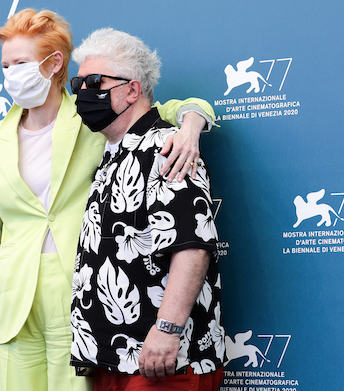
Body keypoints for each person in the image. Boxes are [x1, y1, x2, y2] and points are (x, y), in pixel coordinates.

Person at [0, 9, 216, 391]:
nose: (11, 73)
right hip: (18, 302)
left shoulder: (96, 122)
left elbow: (162, 109)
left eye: (20, 63)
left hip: (82, 309)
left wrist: (192, 124)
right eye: (5, 65)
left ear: (53, 62)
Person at [68, 28, 224, 391]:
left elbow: (193, 246)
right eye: (78, 84)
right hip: (112, 360)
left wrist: (167, 330)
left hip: (164, 363)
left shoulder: (167, 147)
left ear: (133, 89)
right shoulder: (110, 158)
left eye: (95, 81)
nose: (83, 93)